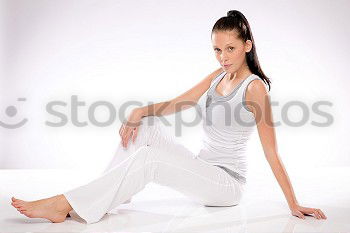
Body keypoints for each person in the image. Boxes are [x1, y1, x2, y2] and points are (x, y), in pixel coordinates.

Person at [10, 10, 327, 224]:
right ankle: (104, 198)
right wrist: (139, 111)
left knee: (149, 159)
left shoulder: (254, 88)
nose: (223, 56)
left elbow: (272, 152)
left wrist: (293, 204)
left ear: (247, 45)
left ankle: (68, 205)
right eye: (217, 49)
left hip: (227, 185)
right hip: (204, 167)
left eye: (230, 49)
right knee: (145, 126)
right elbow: (183, 101)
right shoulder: (218, 76)